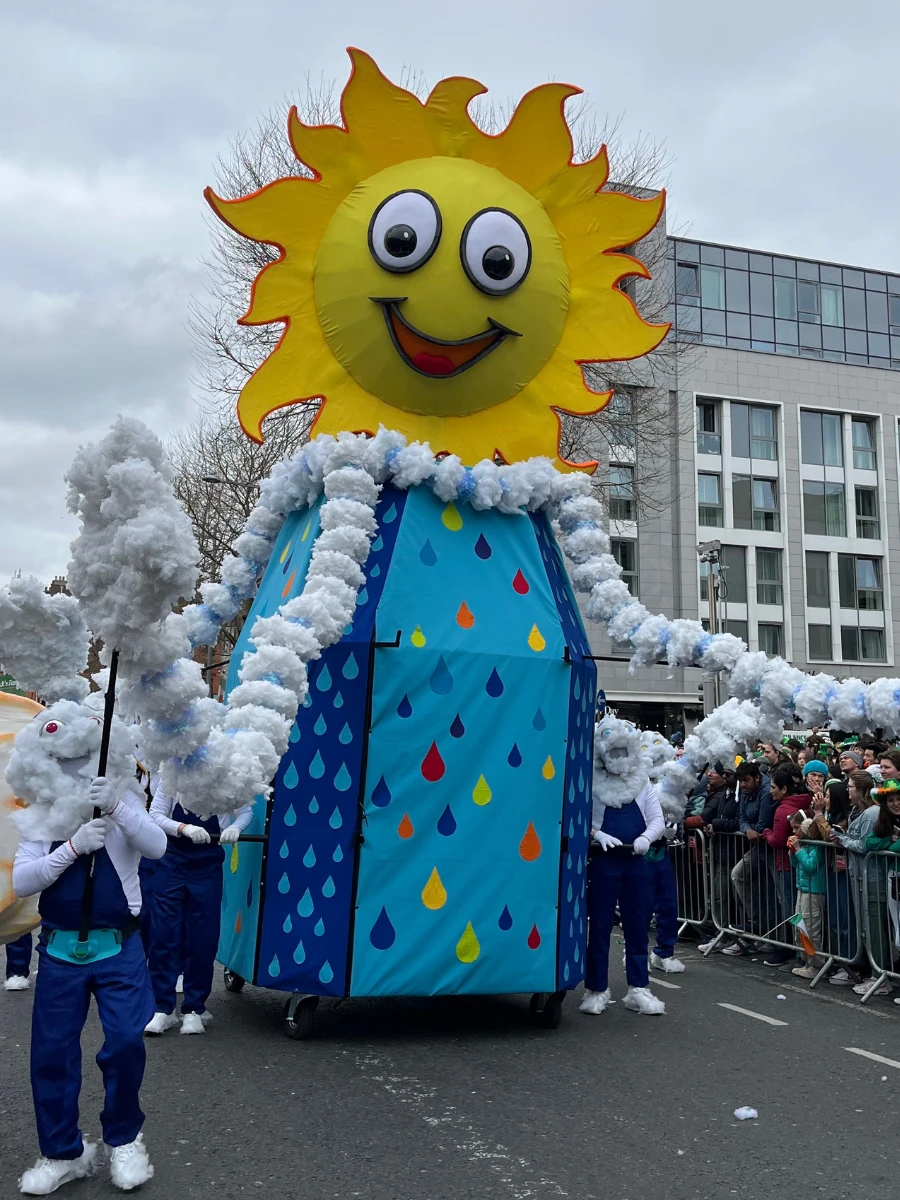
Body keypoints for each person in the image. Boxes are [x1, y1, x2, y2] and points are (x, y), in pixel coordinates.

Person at [12, 773, 166, 1194]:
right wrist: (73, 847)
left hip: (120, 948)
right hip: (60, 952)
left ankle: (124, 1139)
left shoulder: (123, 800)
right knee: (52, 1054)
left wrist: (117, 806)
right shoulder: (43, 813)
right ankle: (63, 1153)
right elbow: (23, 881)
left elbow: (157, 846)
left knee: (124, 1043)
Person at [143, 785, 253, 1036]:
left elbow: (245, 811)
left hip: (207, 868)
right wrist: (183, 828)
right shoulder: (173, 775)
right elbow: (156, 814)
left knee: (203, 937)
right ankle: (162, 1008)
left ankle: (194, 1007)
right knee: (163, 935)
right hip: (170, 863)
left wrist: (236, 827)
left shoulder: (224, 775)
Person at [580, 715, 666, 1016]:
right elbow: (581, 820)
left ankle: (638, 988)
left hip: (635, 863)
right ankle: (596, 988)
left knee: (638, 925)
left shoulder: (641, 784)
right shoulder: (591, 783)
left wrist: (646, 838)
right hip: (604, 862)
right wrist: (596, 833)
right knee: (600, 925)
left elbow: (658, 820)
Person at [728, 762, 776, 954]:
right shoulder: (746, 792)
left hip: (770, 846)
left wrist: (751, 828)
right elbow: (741, 819)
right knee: (738, 874)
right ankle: (756, 922)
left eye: (746, 780)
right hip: (757, 845)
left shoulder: (766, 791)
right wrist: (747, 829)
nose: (743, 785)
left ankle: (780, 938)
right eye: (740, 781)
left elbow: (763, 823)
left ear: (756, 778)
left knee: (778, 893)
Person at [693, 764, 741, 954]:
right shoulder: (725, 795)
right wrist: (712, 828)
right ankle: (722, 933)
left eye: (727, 774)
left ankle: (733, 936)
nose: (712, 775)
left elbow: (738, 821)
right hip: (721, 852)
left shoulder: (736, 796)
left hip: (734, 853)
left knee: (731, 898)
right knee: (719, 896)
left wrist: (716, 824)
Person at [761, 770, 806, 966]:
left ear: (784, 788)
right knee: (798, 909)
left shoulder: (782, 810)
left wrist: (766, 832)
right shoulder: (804, 802)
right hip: (799, 864)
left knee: (791, 910)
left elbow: (778, 841)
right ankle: (799, 951)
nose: (770, 792)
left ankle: (793, 950)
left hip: (787, 864)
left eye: (773, 787)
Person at [788, 813, 827, 979]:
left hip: (814, 891)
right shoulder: (804, 844)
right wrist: (793, 853)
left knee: (811, 928)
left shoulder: (816, 845)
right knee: (800, 925)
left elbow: (811, 866)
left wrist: (798, 850)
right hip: (802, 888)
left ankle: (816, 964)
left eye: (797, 828)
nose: (794, 831)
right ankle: (806, 960)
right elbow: (796, 865)